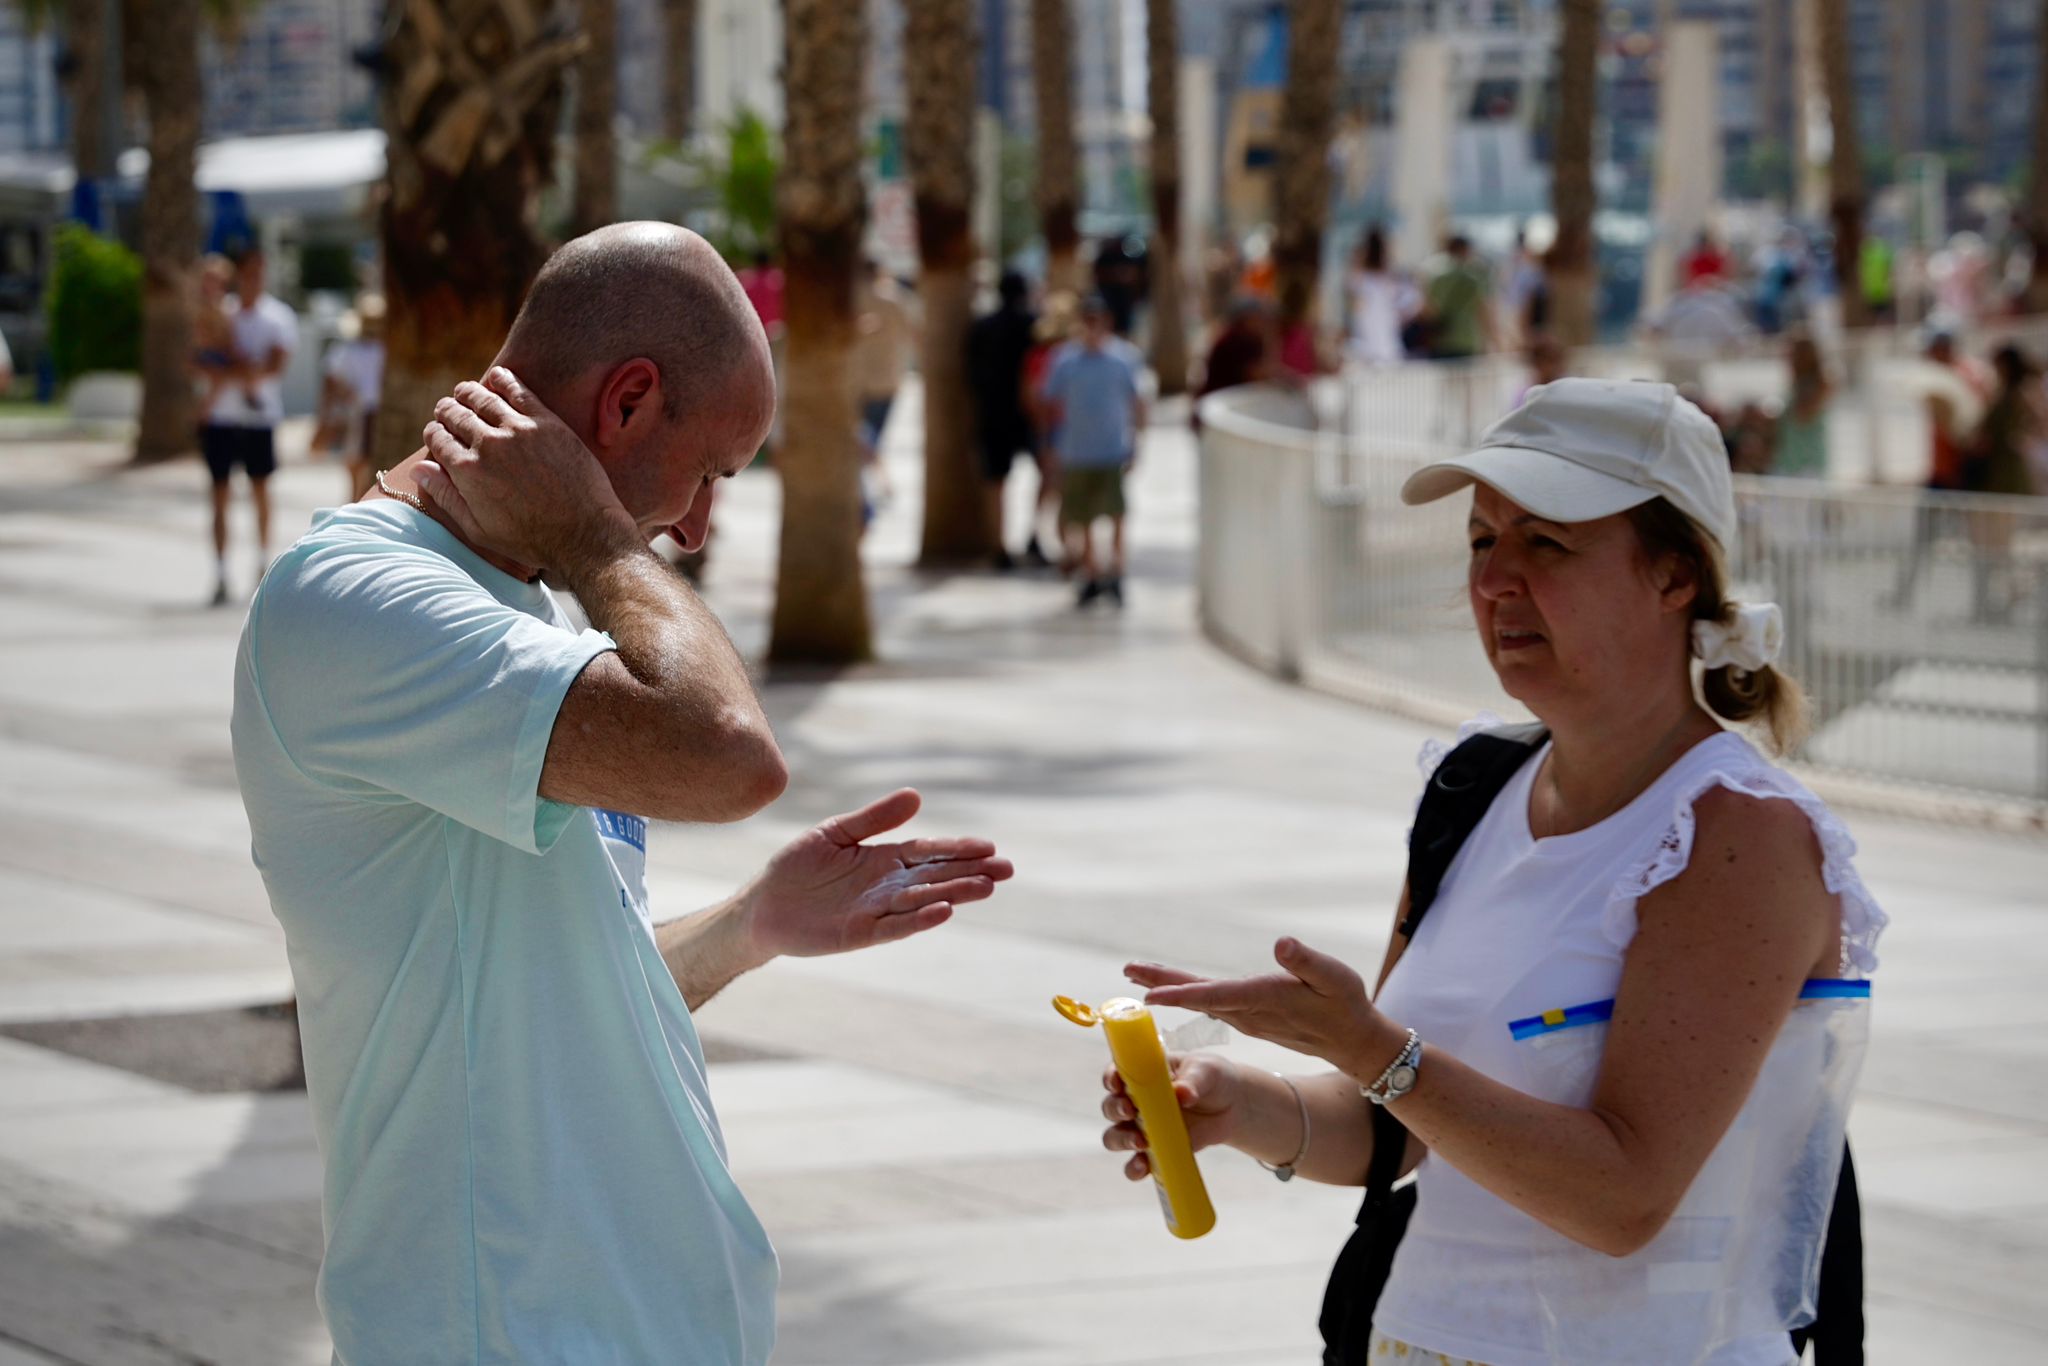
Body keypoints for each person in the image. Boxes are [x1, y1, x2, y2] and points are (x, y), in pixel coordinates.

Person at [229, 223, 1015, 1363]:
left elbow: (554, 987)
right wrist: (602, 541)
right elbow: (729, 754)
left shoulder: (531, 611)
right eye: (711, 472)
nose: (696, 527)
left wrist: (750, 924)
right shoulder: (355, 600)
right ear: (629, 399)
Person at [1100, 378, 1884, 1365]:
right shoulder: (1473, 787)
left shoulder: (1737, 834)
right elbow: (1398, 1131)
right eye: (1480, 540)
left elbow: (1622, 1196)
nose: (1494, 580)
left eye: (1545, 543)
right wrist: (1238, 1103)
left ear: (1674, 575)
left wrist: (1372, 1046)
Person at [197, 243, 297, 606]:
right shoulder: (225, 313)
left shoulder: (278, 316)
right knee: (220, 495)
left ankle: (261, 564)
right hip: (223, 418)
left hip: (259, 418)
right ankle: (221, 571)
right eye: (249, 270)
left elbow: (274, 365)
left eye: (260, 270)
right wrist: (236, 370)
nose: (255, 277)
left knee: (260, 492)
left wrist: (235, 370)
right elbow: (201, 358)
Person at [1040, 295, 1146, 607]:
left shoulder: (1124, 358)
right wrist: (1049, 445)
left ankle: (1116, 569)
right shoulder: (1064, 359)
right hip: (1076, 451)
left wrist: (1138, 441)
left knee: (1116, 514)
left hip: (1112, 449)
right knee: (1082, 516)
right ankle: (1092, 571)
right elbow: (1050, 402)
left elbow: (1137, 401)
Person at [968, 269, 1053, 569]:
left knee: (996, 483)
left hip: (992, 414)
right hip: (1030, 416)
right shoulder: (1034, 326)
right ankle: (1033, 535)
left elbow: (971, 372)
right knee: (1047, 472)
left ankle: (999, 547)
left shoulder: (982, 326)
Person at [853, 258, 913, 518]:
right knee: (872, 437)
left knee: (864, 437)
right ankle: (876, 485)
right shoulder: (894, 299)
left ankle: (872, 484)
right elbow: (914, 334)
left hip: (857, 380)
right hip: (887, 380)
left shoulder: (850, 297)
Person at [312, 293, 387, 499]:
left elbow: (331, 380)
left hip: (372, 413)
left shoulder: (368, 350)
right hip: (360, 413)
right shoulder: (352, 349)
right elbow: (332, 381)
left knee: (366, 469)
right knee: (359, 468)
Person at [1344, 226, 1416, 366]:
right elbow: (1410, 303)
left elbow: (1355, 305)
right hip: (1380, 344)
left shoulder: (1362, 278)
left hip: (1375, 342)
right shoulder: (1389, 278)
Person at [1420, 235, 1494, 362]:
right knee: (1465, 380)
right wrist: (1491, 339)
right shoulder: (1474, 276)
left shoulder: (1435, 274)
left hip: (1441, 339)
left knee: (1444, 380)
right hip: (1467, 339)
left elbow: (1428, 310)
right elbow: (1483, 309)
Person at [1770, 330, 1829, 479]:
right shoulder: (1796, 383)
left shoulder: (1822, 382)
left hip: (1808, 463)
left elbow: (1803, 415)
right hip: (1788, 458)